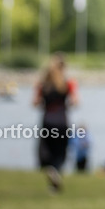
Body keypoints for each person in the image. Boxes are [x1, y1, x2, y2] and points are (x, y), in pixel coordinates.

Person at [33, 52, 78, 192]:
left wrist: (46, 104)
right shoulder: (68, 83)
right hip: (62, 121)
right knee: (60, 152)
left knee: (45, 151)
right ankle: (55, 175)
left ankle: (52, 175)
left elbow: (35, 102)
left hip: (47, 121)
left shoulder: (43, 84)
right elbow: (75, 101)